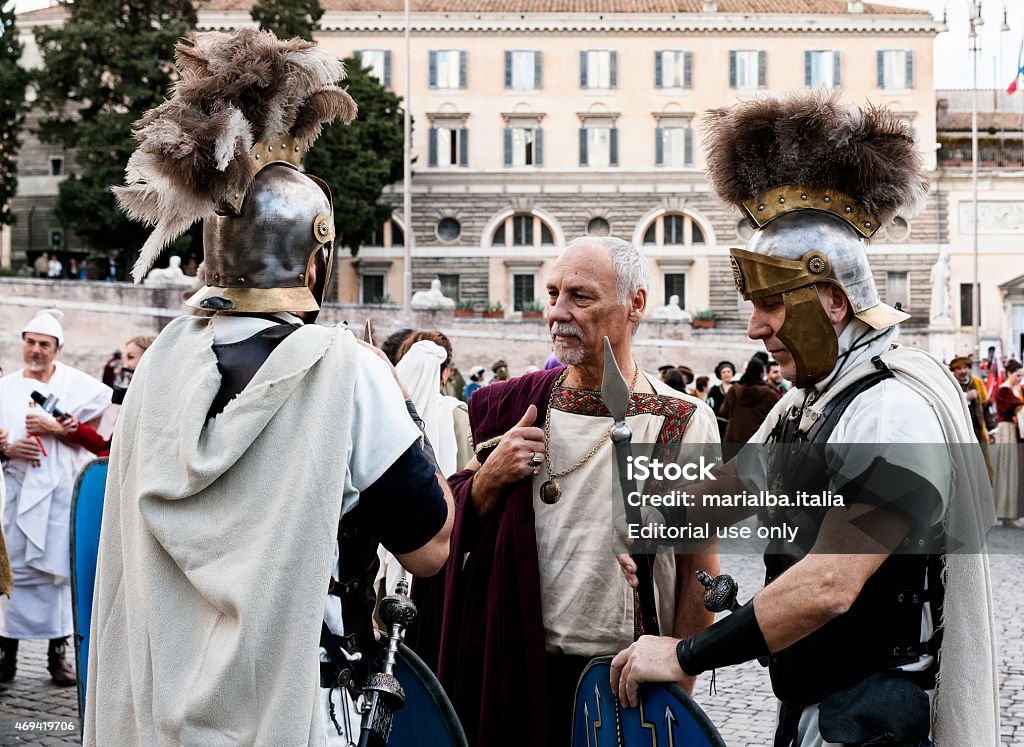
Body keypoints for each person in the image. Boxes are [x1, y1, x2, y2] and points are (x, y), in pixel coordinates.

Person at [85, 29, 452, 746]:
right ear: (316, 256)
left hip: (158, 700)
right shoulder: (342, 368)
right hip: (293, 704)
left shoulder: (160, 361)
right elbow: (431, 544)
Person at [610, 91, 999, 746]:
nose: (756, 327)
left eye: (773, 306)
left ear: (836, 302)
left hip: (876, 714)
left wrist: (684, 653)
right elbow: (739, 486)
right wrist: (656, 521)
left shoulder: (892, 413)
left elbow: (830, 583)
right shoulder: (804, 405)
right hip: (818, 704)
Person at [412, 236, 719, 747]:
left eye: (580, 296)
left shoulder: (684, 420)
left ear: (635, 304)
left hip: (623, 678)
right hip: (514, 663)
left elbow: (700, 570)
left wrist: (679, 684)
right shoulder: (516, 409)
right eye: (552, 294)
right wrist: (491, 477)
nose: (557, 312)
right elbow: (444, 525)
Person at [0, 309, 111, 686]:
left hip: (59, 493)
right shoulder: (5, 388)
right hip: (16, 494)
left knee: (58, 575)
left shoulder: (78, 387)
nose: (35, 350)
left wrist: (55, 429)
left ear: (57, 349)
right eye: (30, 342)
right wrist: (7, 451)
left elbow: (97, 440)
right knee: (13, 572)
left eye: (44, 344)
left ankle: (56, 655)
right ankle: (6, 656)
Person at [60, 336, 158, 458]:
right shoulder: (135, 402)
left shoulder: (158, 405)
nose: (124, 366)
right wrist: (76, 428)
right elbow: (108, 448)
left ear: (150, 358)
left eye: (131, 357)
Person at [949, 354, 994, 484]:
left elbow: (985, 406)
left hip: (978, 427)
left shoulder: (977, 382)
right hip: (959, 428)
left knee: (983, 457)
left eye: (965, 367)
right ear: (954, 370)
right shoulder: (951, 384)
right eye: (959, 368)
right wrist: (966, 397)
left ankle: (985, 484)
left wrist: (991, 429)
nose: (963, 371)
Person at [721, 358, 778, 457]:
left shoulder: (733, 390)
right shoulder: (770, 394)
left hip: (732, 441)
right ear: (761, 374)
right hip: (756, 443)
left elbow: (723, 412)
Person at [992, 359, 1024, 528]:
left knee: (1015, 470)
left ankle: (1011, 513)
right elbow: (1015, 405)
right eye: (1018, 375)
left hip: (1015, 431)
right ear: (1010, 373)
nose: (1020, 378)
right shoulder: (1004, 390)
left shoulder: (1014, 390)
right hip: (1008, 431)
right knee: (1009, 470)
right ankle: (1007, 514)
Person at [705, 360, 735, 438]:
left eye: (728, 371)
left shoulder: (737, 388)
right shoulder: (714, 390)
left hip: (734, 424)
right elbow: (709, 406)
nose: (726, 374)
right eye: (723, 372)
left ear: (732, 373)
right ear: (720, 375)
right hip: (719, 425)